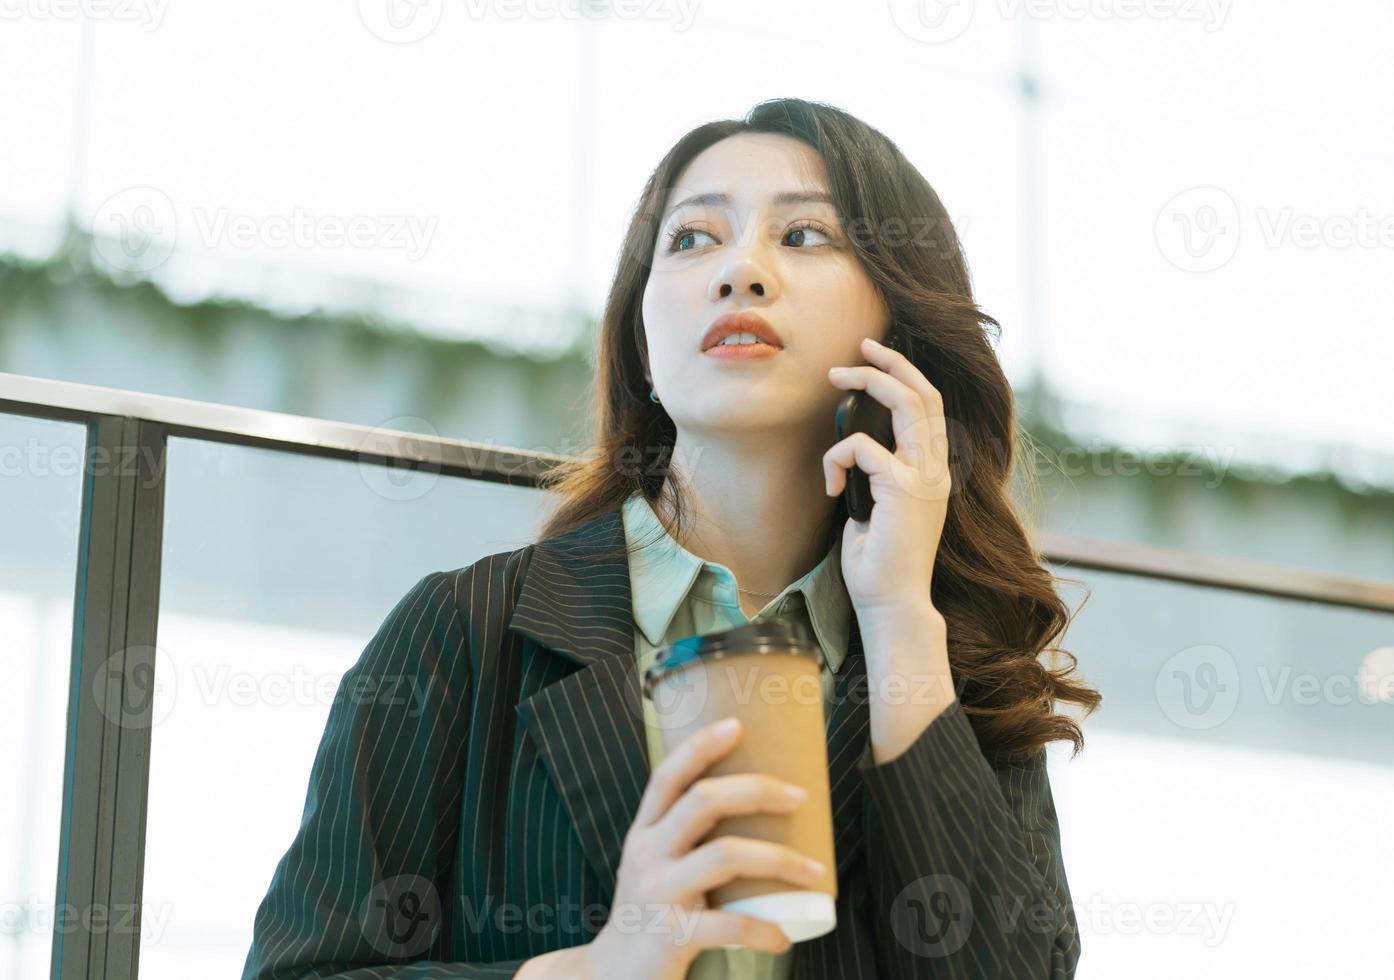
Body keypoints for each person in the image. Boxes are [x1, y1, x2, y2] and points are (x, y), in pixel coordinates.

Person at [240, 96, 1101, 980]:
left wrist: (901, 625)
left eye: (803, 236)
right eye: (692, 239)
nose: (741, 271)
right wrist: (603, 968)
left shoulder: (954, 663)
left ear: (896, 330)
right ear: (645, 346)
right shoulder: (463, 632)